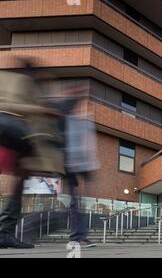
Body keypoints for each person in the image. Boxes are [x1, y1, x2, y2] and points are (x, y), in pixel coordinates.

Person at [0, 60, 64, 249]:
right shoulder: (14, 81)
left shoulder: (30, 90)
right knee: (22, 173)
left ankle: (6, 232)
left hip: (14, 137)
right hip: (7, 130)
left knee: (21, 176)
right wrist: (42, 110)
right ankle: (5, 231)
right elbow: (8, 106)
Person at [44, 82, 99, 248]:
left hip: (74, 161)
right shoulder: (64, 110)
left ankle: (78, 236)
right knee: (76, 199)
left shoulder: (71, 113)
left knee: (77, 199)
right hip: (69, 162)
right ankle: (78, 236)